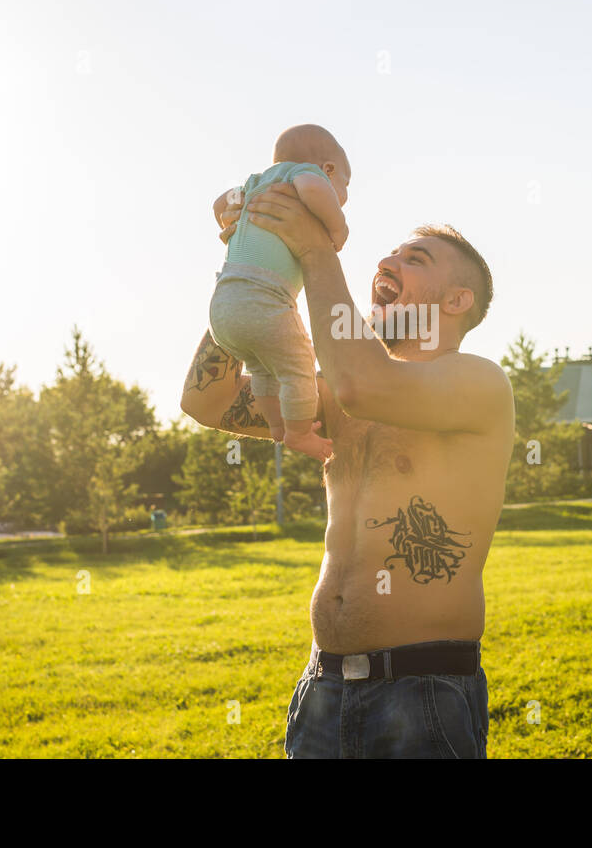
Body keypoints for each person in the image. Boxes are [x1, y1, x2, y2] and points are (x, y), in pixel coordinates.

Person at [181, 182, 513, 758]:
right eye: (391, 253)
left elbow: (366, 383)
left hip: (423, 692)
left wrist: (314, 250)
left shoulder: (479, 383)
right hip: (324, 687)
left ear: (458, 301)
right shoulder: (336, 391)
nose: (388, 261)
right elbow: (203, 403)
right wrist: (253, 274)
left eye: (417, 259)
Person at [206, 124, 350, 461]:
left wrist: (229, 220)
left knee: (263, 370)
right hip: (264, 299)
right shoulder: (305, 174)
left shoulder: (254, 184)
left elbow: (218, 203)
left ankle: (276, 426)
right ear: (327, 169)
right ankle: (298, 433)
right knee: (299, 363)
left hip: (223, 306)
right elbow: (315, 190)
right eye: (345, 184)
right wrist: (338, 225)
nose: (344, 195)